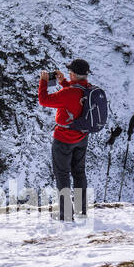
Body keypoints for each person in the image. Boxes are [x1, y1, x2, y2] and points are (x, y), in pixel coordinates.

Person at [37, 58, 94, 221]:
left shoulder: (69, 93)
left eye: (70, 72)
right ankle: (81, 211)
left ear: (75, 74)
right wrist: (64, 83)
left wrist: (43, 82)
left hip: (64, 140)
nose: (68, 74)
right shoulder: (88, 89)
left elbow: (44, 100)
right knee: (79, 173)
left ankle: (66, 214)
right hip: (82, 137)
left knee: (62, 175)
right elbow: (74, 97)